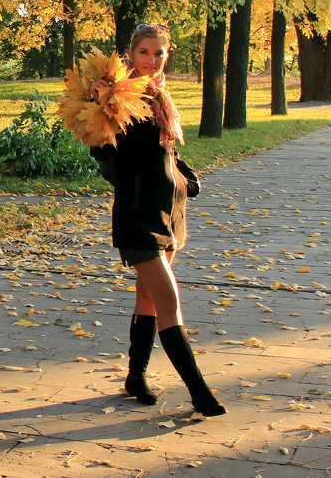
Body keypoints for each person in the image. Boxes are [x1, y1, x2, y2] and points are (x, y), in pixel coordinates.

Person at [91, 23, 226, 417]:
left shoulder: (160, 95)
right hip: (138, 215)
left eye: (159, 53)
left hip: (170, 212)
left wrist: (182, 172)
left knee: (148, 296)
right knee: (169, 301)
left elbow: (160, 150)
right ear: (131, 54)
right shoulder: (116, 97)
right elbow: (109, 157)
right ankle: (200, 393)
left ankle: (136, 377)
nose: (152, 60)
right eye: (145, 52)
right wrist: (102, 131)